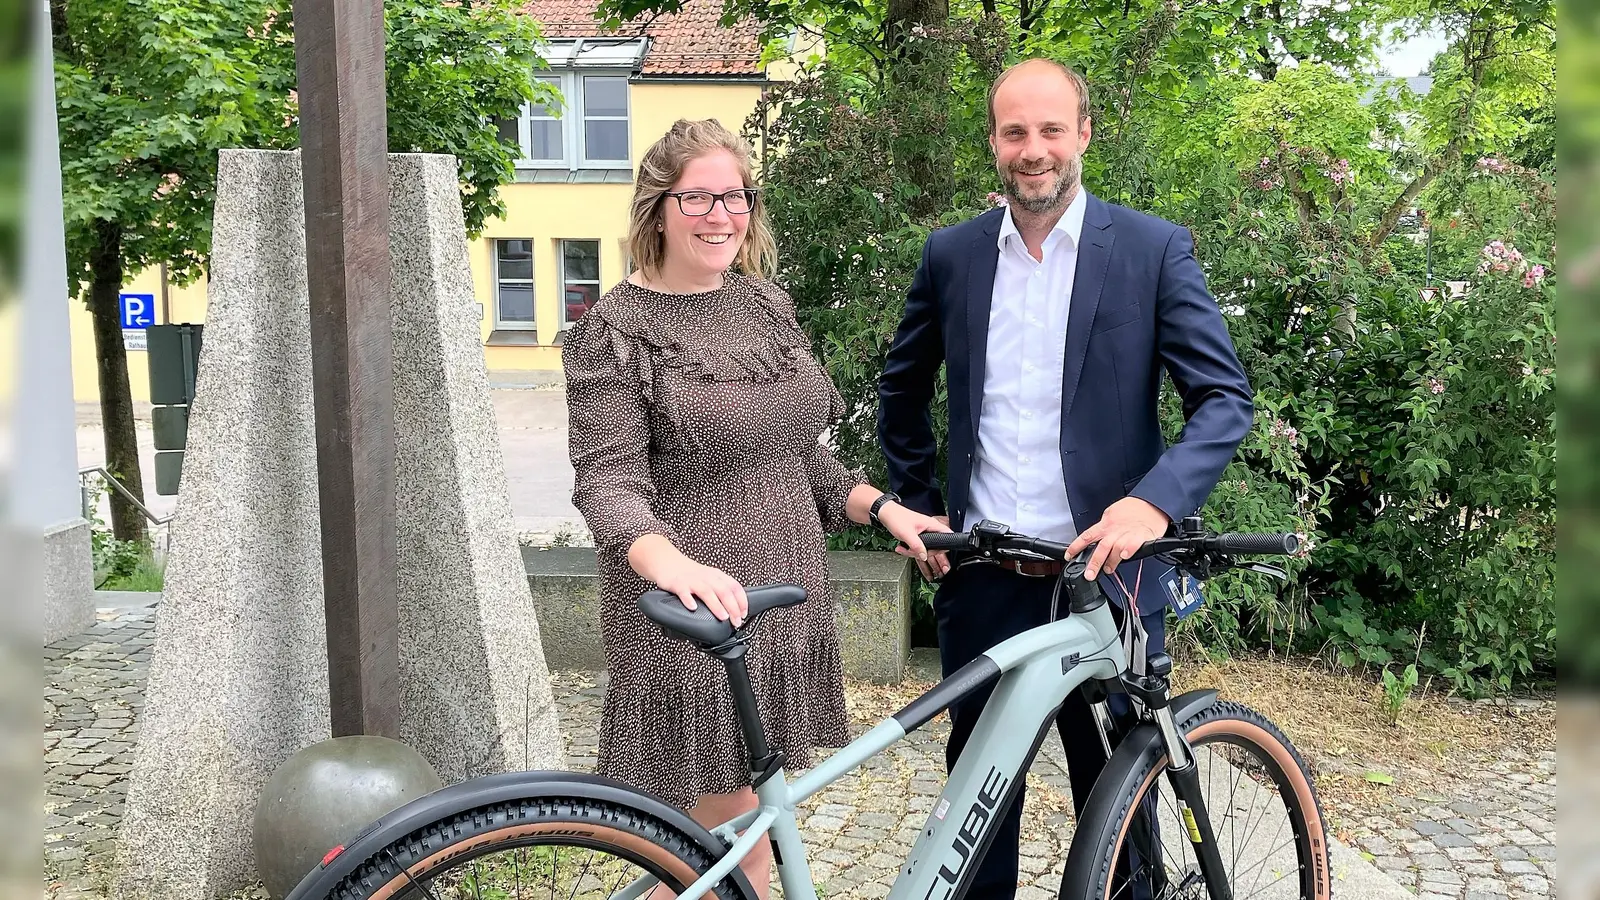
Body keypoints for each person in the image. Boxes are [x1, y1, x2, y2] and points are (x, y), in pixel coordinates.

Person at [876, 59, 1254, 899]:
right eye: (1015, 132)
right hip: (984, 582)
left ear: (1083, 134)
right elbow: (900, 388)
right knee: (976, 822)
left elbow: (1224, 399)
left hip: (1108, 584)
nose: (1033, 149)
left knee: (1123, 822)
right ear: (994, 143)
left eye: (1051, 130)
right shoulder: (953, 258)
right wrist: (919, 503)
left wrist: (1154, 502)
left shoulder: (1153, 250)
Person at [564, 118, 949, 899]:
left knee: (737, 839)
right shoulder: (612, 332)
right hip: (696, 613)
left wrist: (884, 510)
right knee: (741, 854)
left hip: (782, 602)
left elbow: (796, 453)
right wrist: (670, 562)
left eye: (734, 196)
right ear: (658, 209)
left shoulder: (764, 304)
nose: (719, 216)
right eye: (697, 197)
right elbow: (607, 483)